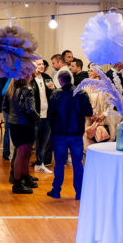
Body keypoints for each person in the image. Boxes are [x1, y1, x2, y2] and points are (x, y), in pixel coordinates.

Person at [46, 70, 91, 199]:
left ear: (60, 81)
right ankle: (79, 192)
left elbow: (50, 115)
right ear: (71, 79)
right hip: (76, 134)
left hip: (60, 134)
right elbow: (89, 111)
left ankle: (56, 191)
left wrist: (53, 129)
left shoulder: (55, 94)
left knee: (59, 164)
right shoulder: (82, 93)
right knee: (77, 163)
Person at [2, 78, 38, 194]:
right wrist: (38, 120)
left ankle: (25, 178)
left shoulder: (11, 89)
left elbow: (5, 107)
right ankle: (18, 182)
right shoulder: (27, 89)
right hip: (24, 124)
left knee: (22, 152)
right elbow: (30, 110)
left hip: (14, 123)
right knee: (23, 153)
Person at [29, 59, 55, 173]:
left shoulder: (46, 77)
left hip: (46, 115)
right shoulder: (29, 79)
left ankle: (40, 164)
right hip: (35, 116)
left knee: (43, 141)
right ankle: (24, 166)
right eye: (38, 64)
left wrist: (53, 89)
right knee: (30, 142)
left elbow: (51, 95)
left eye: (42, 64)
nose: (41, 66)